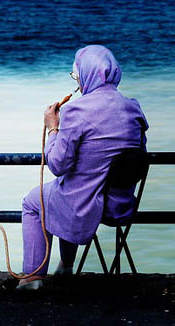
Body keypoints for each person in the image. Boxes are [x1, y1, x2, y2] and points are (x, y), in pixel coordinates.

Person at [18, 45, 149, 290]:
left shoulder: (76, 111)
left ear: (87, 75)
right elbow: (138, 154)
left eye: (76, 76)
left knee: (34, 201)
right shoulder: (133, 108)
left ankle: (33, 277)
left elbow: (57, 165)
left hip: (84, 207)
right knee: (68, 190)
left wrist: (53, 127)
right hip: (120, 206)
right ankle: (65, 268)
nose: (77, 83)